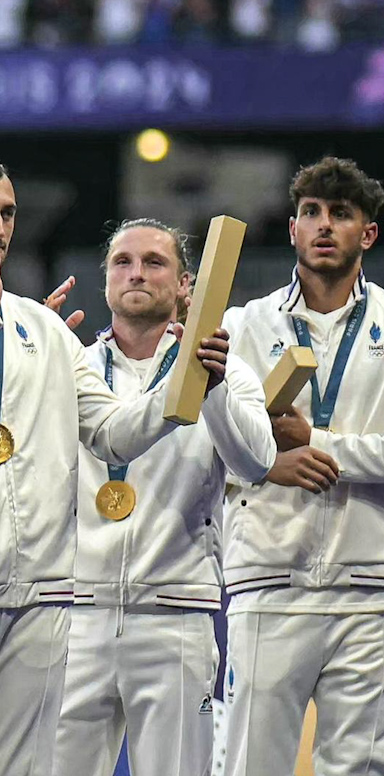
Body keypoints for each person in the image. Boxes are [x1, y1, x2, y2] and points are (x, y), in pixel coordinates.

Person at [0, 152, 236, 776]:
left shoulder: (43, 329)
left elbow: (112, 434)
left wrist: (184, 383)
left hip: (40, 595)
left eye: (7, 213)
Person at [53, 219, 307, 776]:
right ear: (106, 282)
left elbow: (257, 461)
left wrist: (212, 389)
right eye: (122, 262)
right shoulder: (68, 370)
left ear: (185, 284)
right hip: (76, 614)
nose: (136, 272)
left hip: (176, 618)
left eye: (154, 262)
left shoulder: (228, 370)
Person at [218, 157, 384, 776]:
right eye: (311, 213)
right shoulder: (241, 325)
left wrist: (320, 443)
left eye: (340, 214)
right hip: (269, 582)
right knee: (249, 766)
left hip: (367, 591)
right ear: (291, 228)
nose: (323, 225)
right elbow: (217, 442)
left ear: (366, 234)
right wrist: (268, 458)